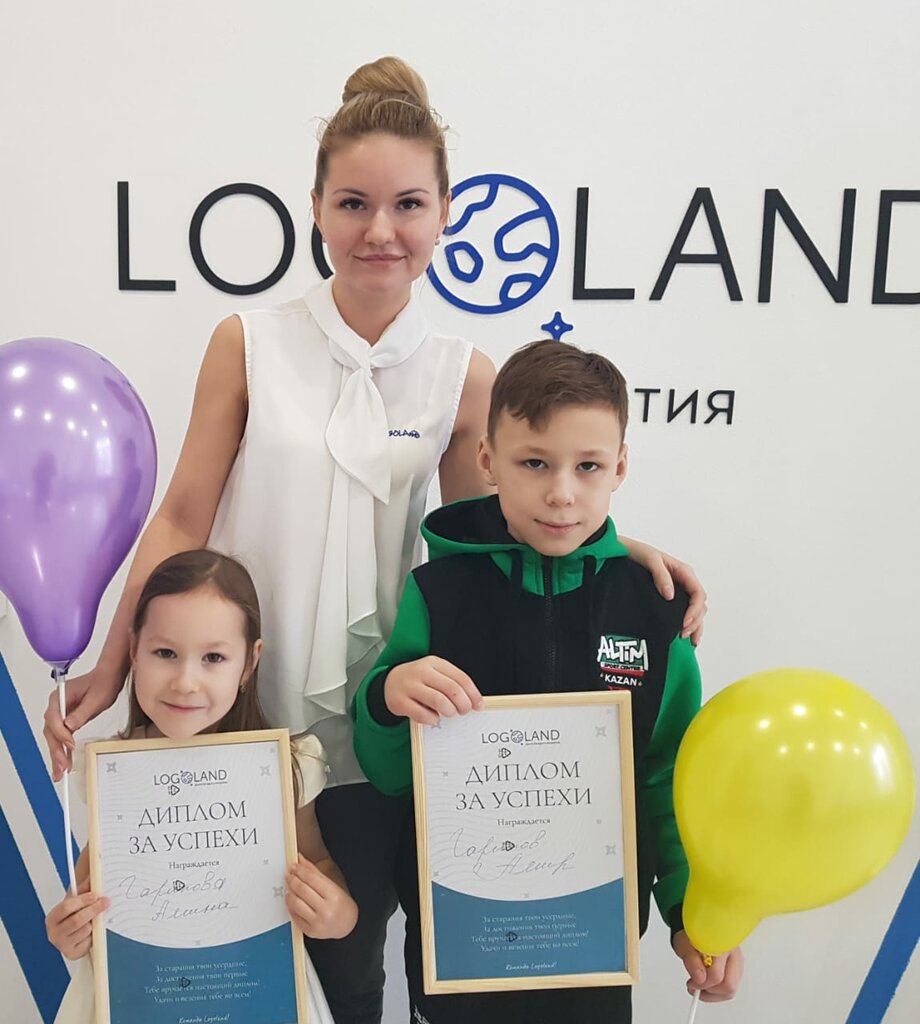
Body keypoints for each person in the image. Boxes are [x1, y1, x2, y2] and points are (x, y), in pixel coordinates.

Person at [43, 57, 707, 1024]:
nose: (380, 231)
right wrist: (112, 664)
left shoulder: (462, 374)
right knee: (216, 966)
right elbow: (183, 514)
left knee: (350, 969)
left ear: (445, 215)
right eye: (353, 203)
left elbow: (501, 540)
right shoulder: (247, 342)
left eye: (408, 205)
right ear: (315, 207)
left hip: (388, 724)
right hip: (237, 708)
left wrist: (622, 551)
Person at [352, 340, 743, 1024]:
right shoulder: (437, 594)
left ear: (620, 467)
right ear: (487, 461)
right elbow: (389, 773)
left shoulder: (656, 613)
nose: (562, 492)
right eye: (534, 463)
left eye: (588, 466)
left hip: (592, 946)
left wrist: (690, 914)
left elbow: (668, 780)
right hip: (459, 941)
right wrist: (387, 701)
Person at [45, 549, 357, 1024]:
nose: (185, 682)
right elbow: (91, 889)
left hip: (253, 991)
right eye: (165, 653)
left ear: (249, 662)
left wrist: (338, 915)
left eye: (213, 657)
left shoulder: (283, 766)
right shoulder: (114, 770)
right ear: (133, 651)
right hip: (137, 996)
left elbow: (318, 863)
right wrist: (68, 930)